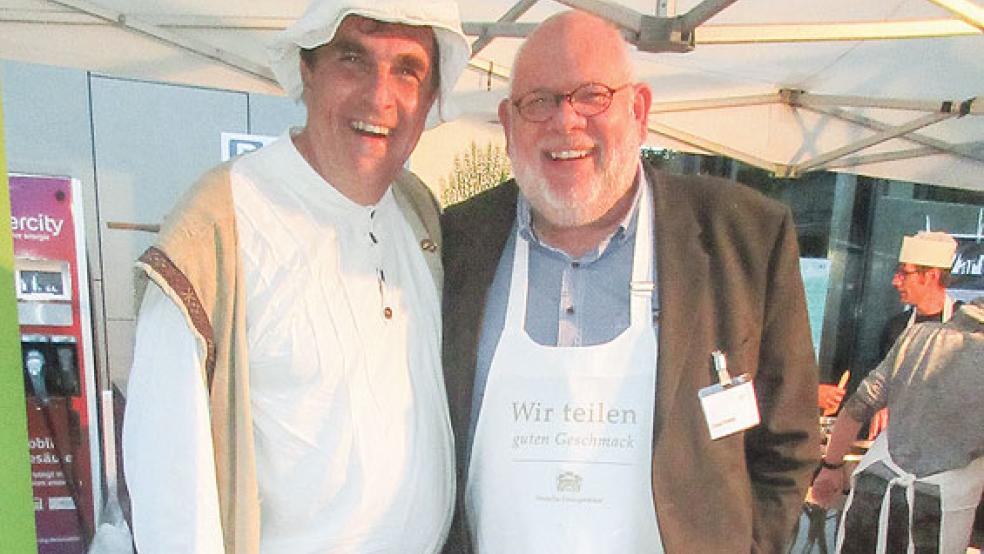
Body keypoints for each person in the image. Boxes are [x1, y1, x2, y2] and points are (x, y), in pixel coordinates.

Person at [441, 11, 819, 553]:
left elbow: (787, 445)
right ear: (507, 122)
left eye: (591, 95)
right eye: (539, 101)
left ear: (638, 111)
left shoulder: (741, 238)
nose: (566, 122)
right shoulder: (457, 242)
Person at [121, 1, 469, 552]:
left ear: (430, 98)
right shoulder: (218, 230)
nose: (380, 97)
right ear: (307, 69)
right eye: (353, 58)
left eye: (408, 69)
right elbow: (171, 502)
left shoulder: (417, 212)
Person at [813, 297, 984, 554]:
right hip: (940, 507)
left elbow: (857, 407)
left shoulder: (916, 336)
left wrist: (831, 466)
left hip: (874, 488)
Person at [862, 231, 959, 436]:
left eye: (904, 273)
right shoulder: (896, 327)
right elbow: (880, 389)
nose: (895, 282)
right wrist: (881, 407)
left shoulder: (966, 326)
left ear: (931, 276)